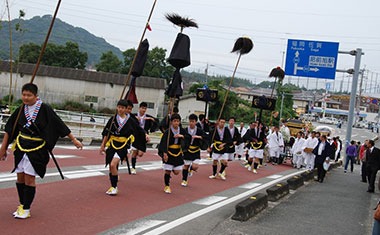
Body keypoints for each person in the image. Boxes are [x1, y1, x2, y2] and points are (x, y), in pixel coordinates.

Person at [0, 83, 83, 219]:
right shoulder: (21, 109)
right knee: (19, 177)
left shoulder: (45, 109)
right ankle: (22, 204)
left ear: (36, 96)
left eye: (29, 95)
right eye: (24, 94)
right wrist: (3, 149)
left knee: (29, 178)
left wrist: (74, 139)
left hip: (36, 149)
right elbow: (10, 129)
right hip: (21, 147)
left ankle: (26, 209)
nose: (25, 98)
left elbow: (59, 123)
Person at [100, 99, 146, 196]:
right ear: (117, 107)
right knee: (110, 166)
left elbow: (138, 131)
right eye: (119, 107)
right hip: (112, 144)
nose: (120, 109)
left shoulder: (130, 121)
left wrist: (145, 135)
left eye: (122, 108)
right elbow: (106, 133)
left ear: (126, 109)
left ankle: (114, 187)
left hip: (123, 145)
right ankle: (112, 185)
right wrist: (102, 145)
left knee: (113, 164)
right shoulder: (112, 119)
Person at [158, 113, 190, 194]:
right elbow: (163, 143)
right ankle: (167, 186)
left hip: (177, 152)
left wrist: (182, 136)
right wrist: (164, 153)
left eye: (178, 121)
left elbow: (188, 137)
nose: (176, 123)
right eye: (174, 121)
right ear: (171, 122)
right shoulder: (167, 132)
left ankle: (172, 169)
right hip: (169, 152)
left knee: (176, 172)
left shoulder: (182, 130)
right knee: (167, 170)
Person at [130, 102, 158, 174]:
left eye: (145, 108)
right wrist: (135, 118)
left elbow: (157, 121)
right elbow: (128, 116)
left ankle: (134, 155)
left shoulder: (147, 117)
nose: (144, 110)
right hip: (136, 136)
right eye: (142, 108)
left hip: (144, 137)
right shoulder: (134, 115)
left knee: (140, 154)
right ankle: (133, 167)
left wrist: (151, 119)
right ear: (139, 108)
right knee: (135, 152)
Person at [181, 114, 207, 187]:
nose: (191, 123)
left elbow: (205, 137)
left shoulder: (199, 130)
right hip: (187, 150)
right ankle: (184, 180)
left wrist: (199, 137)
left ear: (196, 122)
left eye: (193, 121)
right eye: (190, 121)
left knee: (195, 166)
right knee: (186, 165)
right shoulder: (185, 130)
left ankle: (191, 169)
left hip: (196, 150)